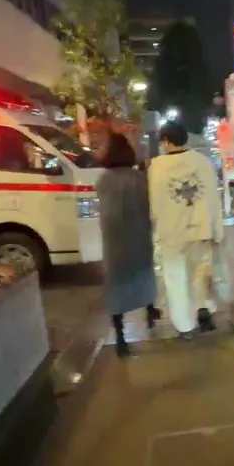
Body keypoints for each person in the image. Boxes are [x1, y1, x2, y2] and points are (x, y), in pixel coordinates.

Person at [148, 121, 224, 340]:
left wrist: (156, 226)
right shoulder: (202, 162)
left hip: (172, 232)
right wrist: (216, 229)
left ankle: (185, 326)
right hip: (201, 229)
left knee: (176, 279)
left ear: (166, 141)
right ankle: (204, 309)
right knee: (200, 274)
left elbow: (155, 201)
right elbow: (213, 197)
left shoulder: (157, 166)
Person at [95, 132, 160, 358]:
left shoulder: (104, 180)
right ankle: (150, 312)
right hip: (140, 235)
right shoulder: (140, 178)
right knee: (144, 274)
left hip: (115, 240)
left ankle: (121, 337)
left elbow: (106, 213)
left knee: (117, 285)